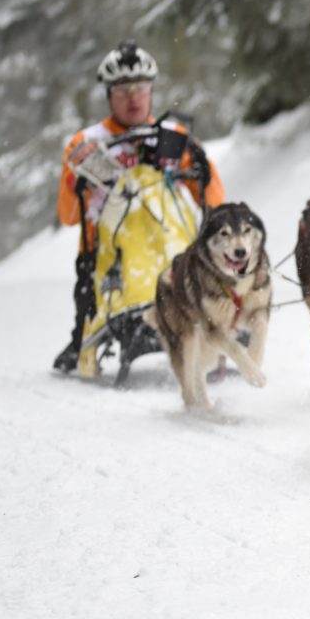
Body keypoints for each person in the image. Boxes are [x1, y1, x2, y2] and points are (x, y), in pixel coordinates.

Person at [52, 41, 226, 373]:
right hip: (106, 252)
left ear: (151, 91)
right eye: (123, 90)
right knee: (88, 300)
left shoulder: (174, 135)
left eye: (141, 88)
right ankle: (82, 341)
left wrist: (200, 167)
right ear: (108, 94)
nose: (133, 97)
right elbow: (68, 215)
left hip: (171, 242)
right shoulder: (86, 142)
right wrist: (76, 178)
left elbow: (213, 199)